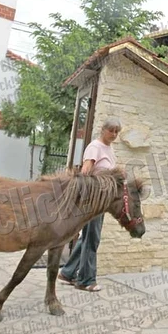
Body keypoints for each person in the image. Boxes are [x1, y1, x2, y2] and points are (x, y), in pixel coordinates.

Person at [58, 117, 122, 292]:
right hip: (92, 200)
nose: (114, 134)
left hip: (101, 200)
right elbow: (85, 172)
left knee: (87, 237)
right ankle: (86, 280)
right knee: (92, 238)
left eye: (117, 131)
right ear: (103, 130)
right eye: (112, 131)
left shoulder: (109, 149)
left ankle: (67, 273)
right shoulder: (95, 147)